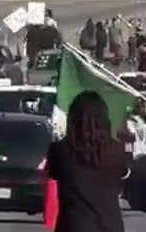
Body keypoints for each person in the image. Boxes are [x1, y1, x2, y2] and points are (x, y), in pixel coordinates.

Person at [47, 91, 128, 232]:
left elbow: (53, 173)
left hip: (73, 225)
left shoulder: (61, 150)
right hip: (110, 226)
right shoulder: (117, 150)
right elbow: (124, 173)